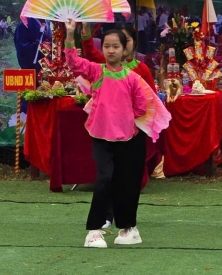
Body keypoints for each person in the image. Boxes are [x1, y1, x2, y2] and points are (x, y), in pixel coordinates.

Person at [63, 23, 169, 248]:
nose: (111, 50)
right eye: (107, 46)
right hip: (101, 137)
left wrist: (122, 116)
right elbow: (73, 63)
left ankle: (128, 228)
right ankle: (94, 231)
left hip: (129, 138)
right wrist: (70, 34)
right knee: (103, 179)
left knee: (127, 183)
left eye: (116, 46)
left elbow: (142, 107)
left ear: (124, 50)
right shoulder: (96, 71)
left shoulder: (133, 78)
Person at [120, 25, 156, 90]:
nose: (124, 44)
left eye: (127, 40)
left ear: (134, 43)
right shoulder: (108, 68)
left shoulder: (142, 68)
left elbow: (153, 96)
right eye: (121, 40)